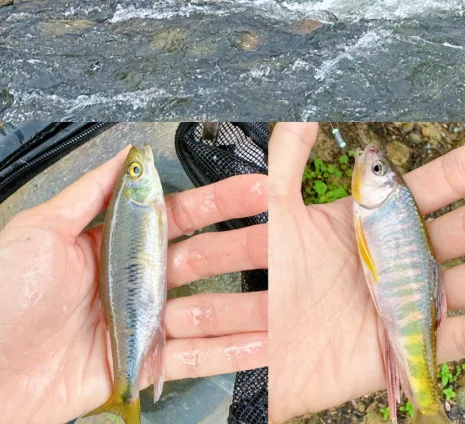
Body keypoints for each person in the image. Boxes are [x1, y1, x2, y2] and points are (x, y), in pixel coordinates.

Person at [267, 121, 465, 422]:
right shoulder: (372, 210)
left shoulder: (377, 208)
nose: (368, 160)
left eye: (376, 169)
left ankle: (428, 408)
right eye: (378, 169)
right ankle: (427, 407)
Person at [0, 146, 269, 424]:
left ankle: (124, 394)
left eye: (135, 169)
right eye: (136, 171)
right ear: (130, 191)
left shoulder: (144, 206)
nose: (141, 162)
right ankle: (125, 395)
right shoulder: (145, 206)